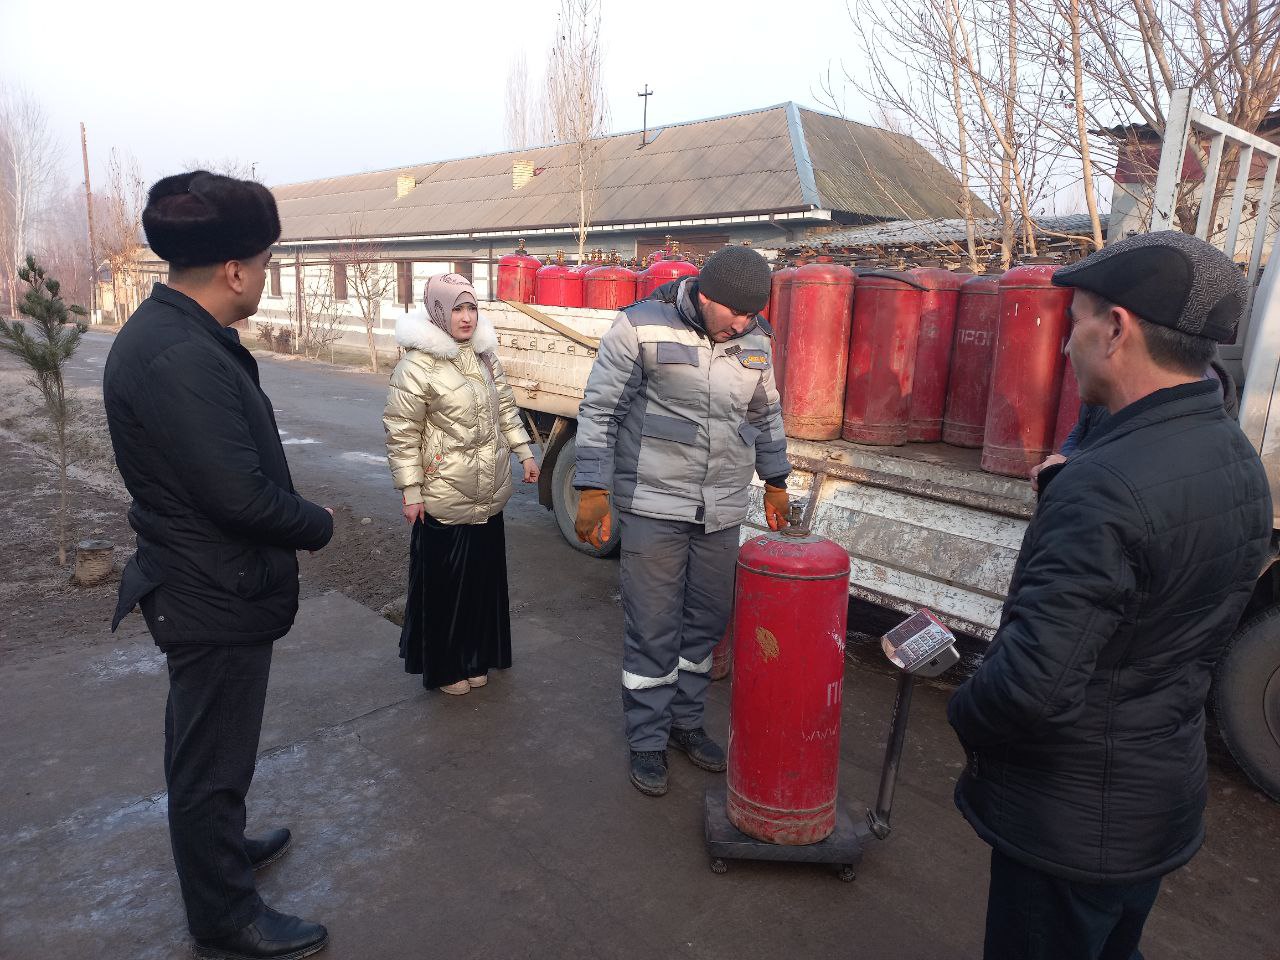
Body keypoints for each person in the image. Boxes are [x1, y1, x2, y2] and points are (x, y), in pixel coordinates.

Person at [947, 231, 1272, 960]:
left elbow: (1033, 686)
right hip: (1153, 807)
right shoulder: (1236, 460)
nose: (1066, 346)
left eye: (1076, 324)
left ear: (1116, 328)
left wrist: (963, 710)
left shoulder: (1104, 490)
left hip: (1070, 822)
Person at [103, 172, 334, 960]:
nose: (265, 274)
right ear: (235, 269)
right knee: (208, 760)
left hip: (212, 584)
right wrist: (319, 523)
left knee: (216, 750)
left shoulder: (179, 335)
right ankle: (223, 914)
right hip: (211, 592)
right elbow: (238, 496)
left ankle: (222, 852)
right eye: (266, 261)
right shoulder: (177, 356)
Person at [574, 245, 791, 797]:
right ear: (706, 294)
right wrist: (592, 487)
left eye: (752, 313)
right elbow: (601, 409)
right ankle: (647, 738)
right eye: (735, 313)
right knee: (652, 626)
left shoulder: (756, 340)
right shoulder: (640, 326)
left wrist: (776, 480)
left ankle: (684, 724)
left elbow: (765, 415)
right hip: (653, 503)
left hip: (720, 508)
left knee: (704, 624)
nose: (743, 323)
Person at [383, 273, 538, 695]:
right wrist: (410, 492)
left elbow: (505, 408)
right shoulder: (416, 365)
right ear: (438, 312)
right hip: (443, 493)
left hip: (488, 491)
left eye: (471, 307)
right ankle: (448, 667)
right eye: (457, 308)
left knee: (481, 583)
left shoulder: (485, 356)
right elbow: (402, 432)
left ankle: (476, 657)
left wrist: (525, 452)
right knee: (447, 587)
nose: (466, 317)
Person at [1031, 362, 1237, 491]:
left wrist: (1068, 468)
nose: (1068, 347)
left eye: (1079, 321)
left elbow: (1138, 462)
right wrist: (1061, 463)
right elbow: (1082, 429)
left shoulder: (1186, 384)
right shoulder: (1107, 378)